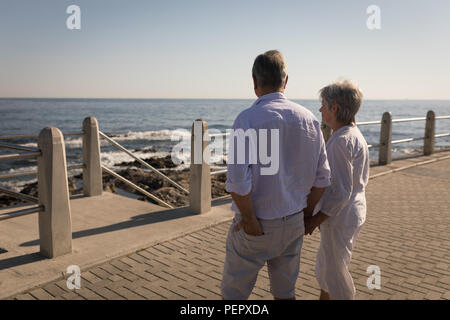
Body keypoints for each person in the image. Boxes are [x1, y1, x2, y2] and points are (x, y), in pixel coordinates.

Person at [221, 50, 331, 300]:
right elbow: (323, 178)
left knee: (234, 294)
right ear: (286, 80)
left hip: (256, 224)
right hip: (292, 221)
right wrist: (304, 213)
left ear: (254, 81)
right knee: (285, 293)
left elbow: (238, 181)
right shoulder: (310, 120)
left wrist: (248, 218)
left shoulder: (247, 119)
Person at [304, 79, 370, 300]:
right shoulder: (353, 135)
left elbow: (341, 191)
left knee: (336, 275)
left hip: (342, 215)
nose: (320, 109)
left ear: (334, 108)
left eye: (323, 104)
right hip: (349, 212)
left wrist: (315, 219)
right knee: (328, 269)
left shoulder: (341, 141)